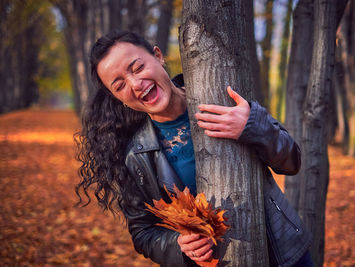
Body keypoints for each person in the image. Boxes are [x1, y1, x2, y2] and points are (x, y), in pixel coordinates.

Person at [75, 30, 313, 267]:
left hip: (286, 255)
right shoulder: (135, 157)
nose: (136, 84)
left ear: (158, 56)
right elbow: (143, 233)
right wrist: (177, 244)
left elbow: (291, 161)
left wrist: (251, 126)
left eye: (137, 68)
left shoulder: (223, 96)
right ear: (118, 98)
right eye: (119, 85)